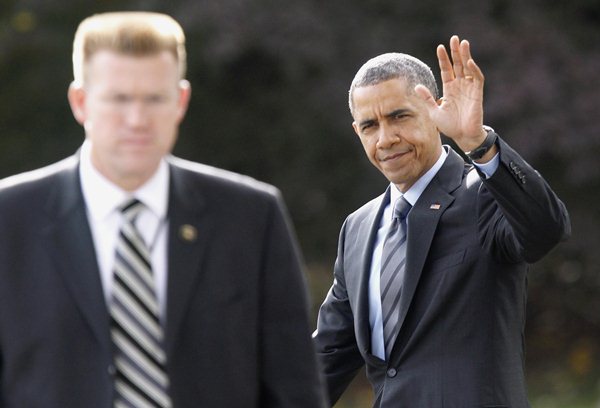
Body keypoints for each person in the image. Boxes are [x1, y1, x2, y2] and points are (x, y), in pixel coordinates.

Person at [0, 11, 325, 408]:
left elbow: (294, 391)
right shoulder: (9, 219)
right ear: (80, 102)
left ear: (181, 100)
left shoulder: (252, 218)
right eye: (119, 99)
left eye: (155, 98)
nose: (137, 120)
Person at [313, 35, 570, 407]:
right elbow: (326, 358)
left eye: (399, 116)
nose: (386, 138)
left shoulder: (484, 194)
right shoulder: (358, 227)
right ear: (357, 132)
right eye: (370, 126)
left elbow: (547, 229)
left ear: (433, 110)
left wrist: (478, 143)